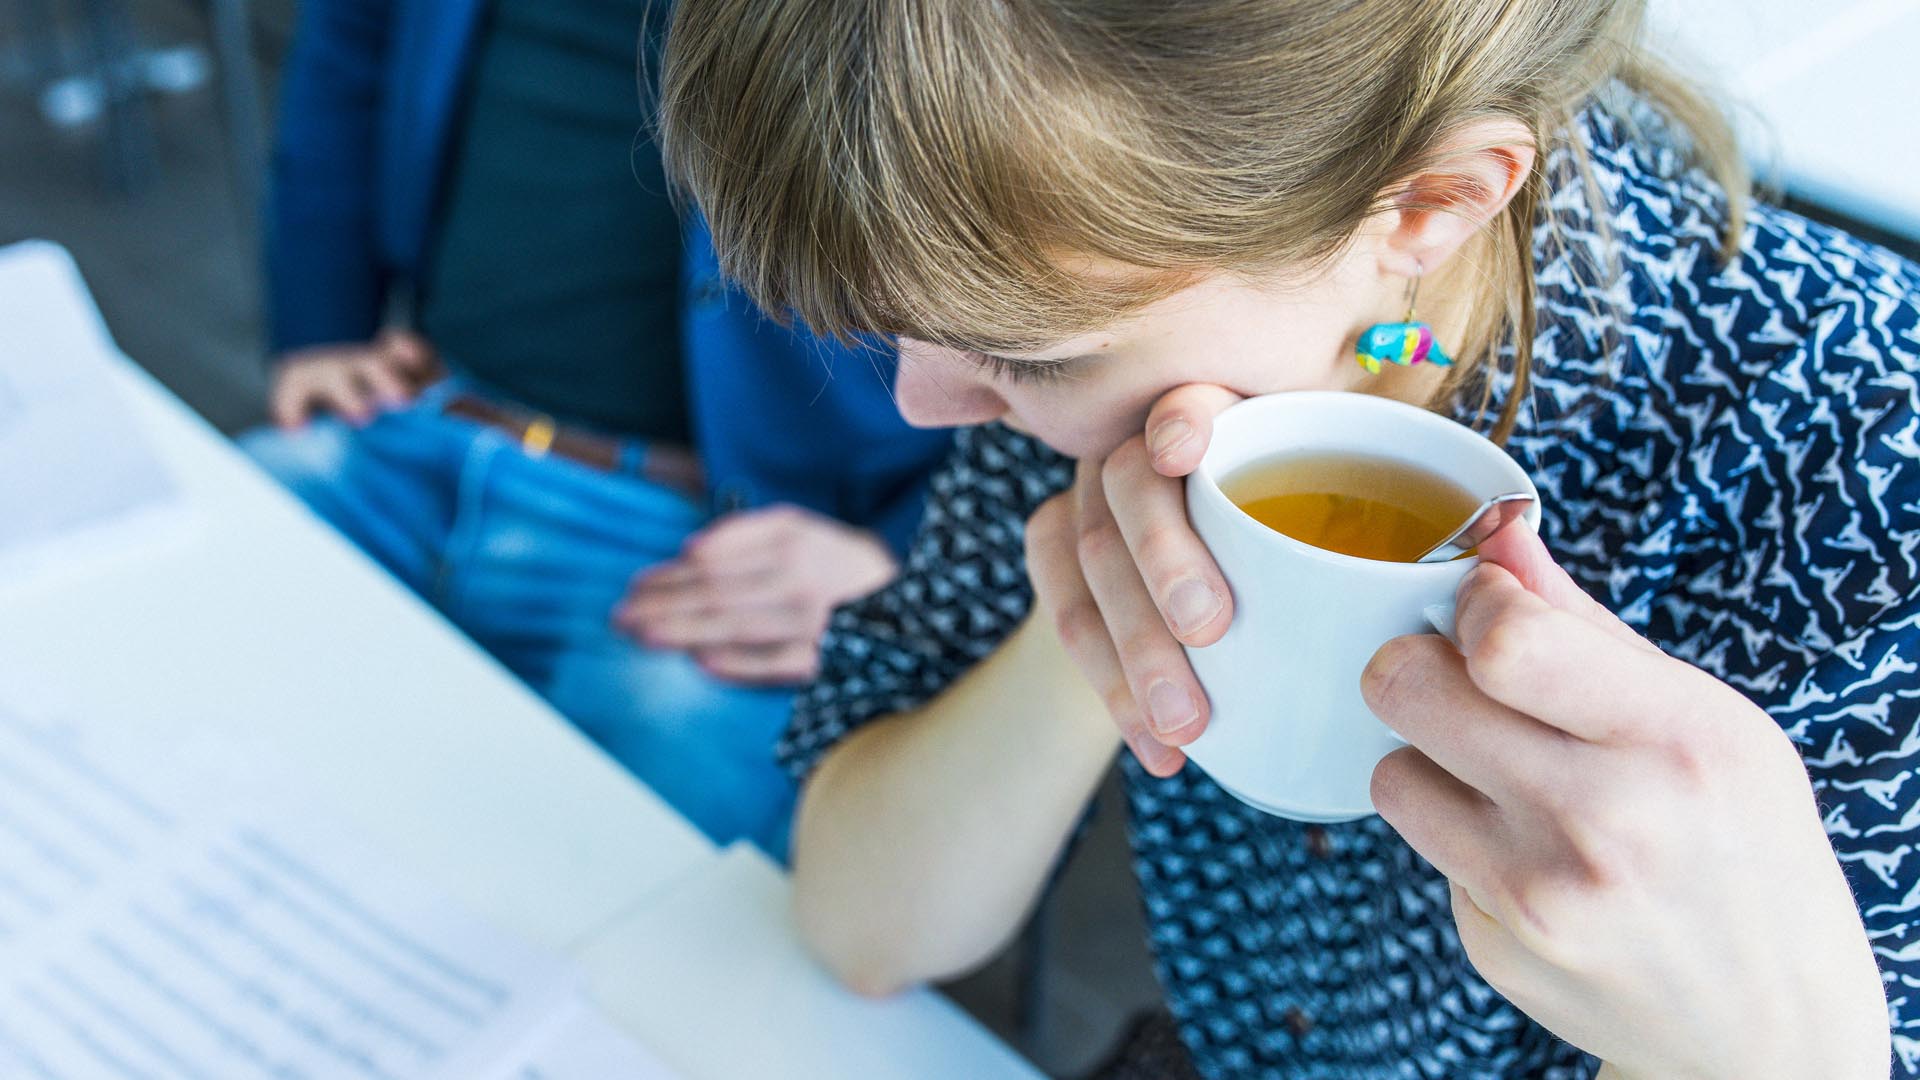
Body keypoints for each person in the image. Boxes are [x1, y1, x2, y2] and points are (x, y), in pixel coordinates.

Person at [657, 0, 1920, 1075]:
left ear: (1430, 206)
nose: (926, 402)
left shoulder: (1863, 467)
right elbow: (863, 921)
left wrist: (1771, 1051)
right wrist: (1097, 610)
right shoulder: (1107, 344)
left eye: (1015, 351)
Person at [239, 0, 950, 858]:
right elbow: (355, 40)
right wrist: (321, 325)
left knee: (642, 882)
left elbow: (1093, 291)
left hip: (722, 540)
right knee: (136, 649)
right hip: (412, 423)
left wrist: (913, 558)